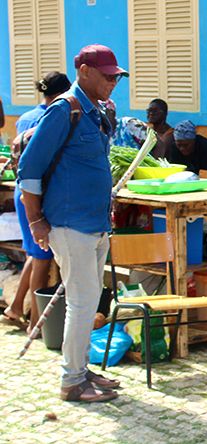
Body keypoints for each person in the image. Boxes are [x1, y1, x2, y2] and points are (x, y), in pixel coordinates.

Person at [18, 44, 127, 403]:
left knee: (89, 300)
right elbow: (29, 170)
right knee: (81, 304)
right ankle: (72, 380)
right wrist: (36, 221)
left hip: (95, 223)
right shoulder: (64, 110)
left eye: (116, 77)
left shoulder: (96, 112)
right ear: (84, 71)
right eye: (108, 76)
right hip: (70, 223)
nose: (114, 82)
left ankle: (79, 368)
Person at [1, 72, 71, 334]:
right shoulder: (53, 117)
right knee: (41, 257)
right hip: (38, 193)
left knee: (35, 253)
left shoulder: (27, 117)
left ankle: (17, 307)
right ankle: (35, 324)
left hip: (23, 192)